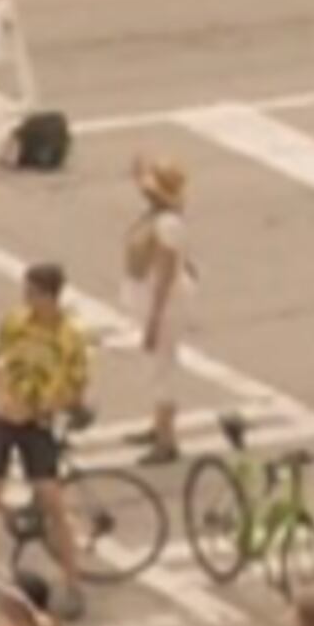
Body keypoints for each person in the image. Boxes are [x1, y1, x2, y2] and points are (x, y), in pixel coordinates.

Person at [0, 262, 91, 603]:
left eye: (33, 294)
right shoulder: (15, 322)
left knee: (52, 498)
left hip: (37, 420)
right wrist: (0, 394)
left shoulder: (70, 337)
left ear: (50, 296)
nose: (26, 300)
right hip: (4, 414)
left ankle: (73, 582)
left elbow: (77, 387)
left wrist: (43, 409)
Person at [123, 157, 194, 465]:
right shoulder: (160, 215)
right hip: (151, 296)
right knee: (157, 365)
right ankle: (158, 426)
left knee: (161, 369)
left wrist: (154, 319)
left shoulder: (167, 225)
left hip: (162, 302)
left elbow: (165, 274)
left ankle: (166, 439)